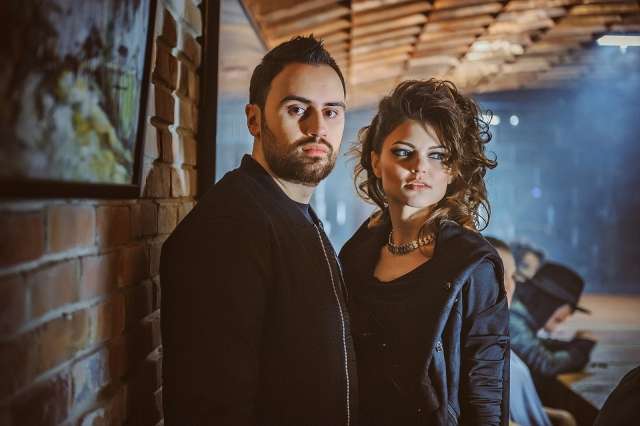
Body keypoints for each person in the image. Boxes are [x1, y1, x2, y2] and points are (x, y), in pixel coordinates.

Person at [160, 36, 356, 426]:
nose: (318, 128)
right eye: (297, 109)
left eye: (331, 112)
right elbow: (212, 409)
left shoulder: (292, 214)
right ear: (254, 119)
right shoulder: (228, 228)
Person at [340, 79, 509, 426]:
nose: (420, 167)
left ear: (453, 169)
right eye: (404, 152)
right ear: (376, 161)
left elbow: (485, 393)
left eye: (438, 155)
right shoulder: (356, 254)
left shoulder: (472, 265)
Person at [487, 237, 576, 426]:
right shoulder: (480, 340)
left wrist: (561, 417)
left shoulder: (496, 332)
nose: (511, 285)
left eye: (513, 276)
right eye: (502, 275)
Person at [510, 262, 596, 378]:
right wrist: (581, 350)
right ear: (548, 305)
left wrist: (570, 344)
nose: (552, 329)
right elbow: (547, 365)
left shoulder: (515, 313)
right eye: (557, 320)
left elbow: (531, 342)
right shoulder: (512, 318)